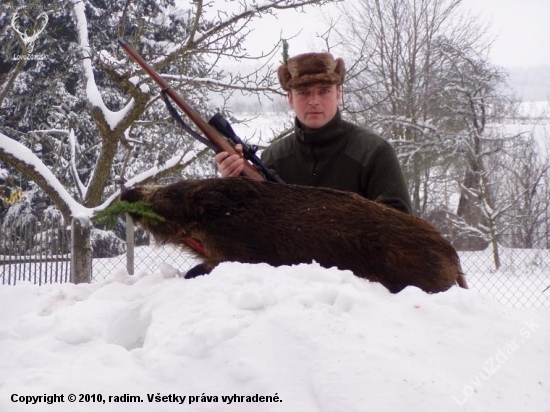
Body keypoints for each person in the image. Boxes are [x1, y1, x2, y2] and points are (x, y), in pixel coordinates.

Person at [215, 52, 412, 214]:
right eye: (303, 92)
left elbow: (402, 230)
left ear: (339, 95)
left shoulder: (374, 152)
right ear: (290, 99)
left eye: (324, 91)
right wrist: (235, 185)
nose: (314, 100)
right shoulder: (274, 158)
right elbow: (253, 226)